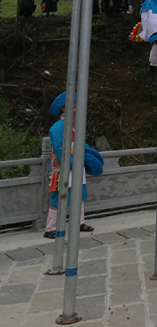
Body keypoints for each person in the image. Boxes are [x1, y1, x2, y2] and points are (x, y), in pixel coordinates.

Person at [44, 91, 103, 239]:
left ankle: (79, 222)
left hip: (77, 163)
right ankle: (50, 228)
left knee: (80, 193)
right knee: (58, 196)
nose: (76, 108)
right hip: (61, 166)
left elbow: (81, 143)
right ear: (64, 108)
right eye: (73, 106)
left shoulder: (75, 125)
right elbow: (59, 148)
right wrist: (70, 162)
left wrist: (89, 155)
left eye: (76, 106)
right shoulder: (57, 127)